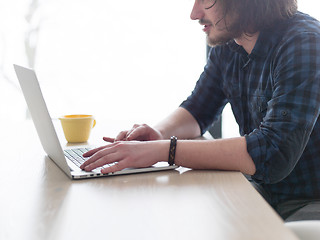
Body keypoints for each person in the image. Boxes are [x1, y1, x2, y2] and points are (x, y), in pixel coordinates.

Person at [80, 0, 320, 221]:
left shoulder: (305, 42)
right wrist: (157, 133)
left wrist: (165, 150)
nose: (194, 14)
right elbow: (198, 109)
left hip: (309, 200)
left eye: (206, 0)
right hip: (263, 189)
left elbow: (273, 154)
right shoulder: (231, 40)